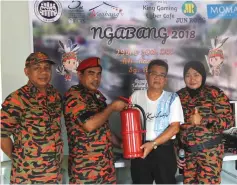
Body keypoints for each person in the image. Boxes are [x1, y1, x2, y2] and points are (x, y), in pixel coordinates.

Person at [0, 52, 63, 184]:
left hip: (54, 174)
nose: (43, 72)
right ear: (26, 71)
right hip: (28, 176)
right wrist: (18, 157)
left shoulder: (55, 95)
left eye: (47, 68)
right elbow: (2, 135)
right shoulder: (16, 99)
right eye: (37, 68)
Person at [63, 57, 127, 184]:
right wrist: (112, 108)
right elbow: (90, 125)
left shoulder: (97, 96)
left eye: (98, 74)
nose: (96, 78)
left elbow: (103, 128)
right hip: (86, 170)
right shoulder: (74, 95)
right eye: (91, 73)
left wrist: (120, 143)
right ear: (80, 75)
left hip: (106, 168)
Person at [176, 61, 234, 184]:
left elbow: (229, 121)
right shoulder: (178, 96)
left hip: (210, 155)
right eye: (188, 75)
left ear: (203, 75)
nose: (192, 79)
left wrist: (203, 120)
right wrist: (176, 151)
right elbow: (174, 127)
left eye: (196, 74)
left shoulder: (215, 94)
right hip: (188, 155)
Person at [130, 59, 184, 184]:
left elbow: (175, 128)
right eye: (154, 73)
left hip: (164, 151)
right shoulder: (136, 96)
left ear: (165, 80)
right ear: (147, 75)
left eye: (161, 75)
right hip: (140, 149)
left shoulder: (172, 98)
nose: (157, 78)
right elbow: (130, 124)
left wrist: (153, 144)